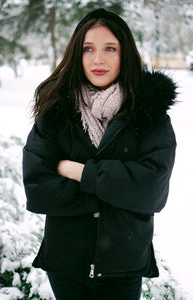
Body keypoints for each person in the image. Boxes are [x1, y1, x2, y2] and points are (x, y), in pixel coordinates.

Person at [22, 8, 177, 300]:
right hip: (65, 263)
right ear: (76, 55)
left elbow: (152, 190)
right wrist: (117, 189)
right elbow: (38, 188)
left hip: (124, 264)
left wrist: (80, 172)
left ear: (125, 53)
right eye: (88, 49)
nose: (98, 59)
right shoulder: (56, 112)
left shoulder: (150, 115)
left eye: (110, 48)